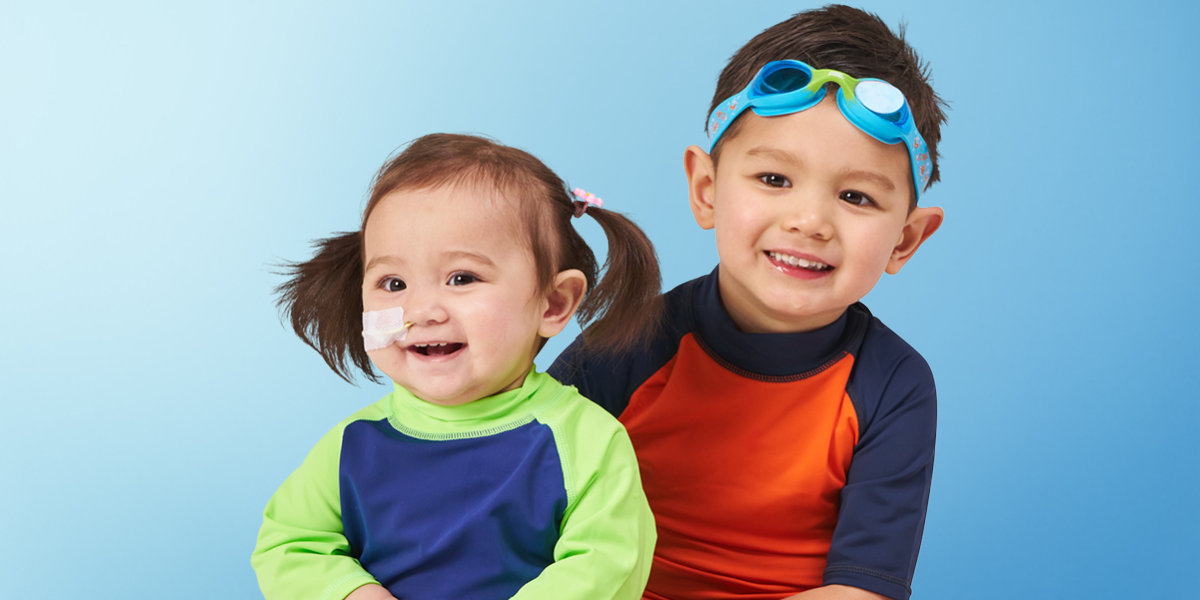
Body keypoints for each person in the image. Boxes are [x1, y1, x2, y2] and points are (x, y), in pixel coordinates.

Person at [549, 6, 947, 600]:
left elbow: (862, 590)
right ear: (706, 190)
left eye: (856, 196)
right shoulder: (630, 343)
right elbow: (510, 489)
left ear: (906, 240)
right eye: (774, 180)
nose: (810, 222)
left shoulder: (893, 385)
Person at [252, 133, 661, 600]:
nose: (421, 311)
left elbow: (606, 563)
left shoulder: (587, 440)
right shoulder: (352, 445)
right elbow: (289, 544)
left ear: (553, 303)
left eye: (461, 278)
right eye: (393, 283)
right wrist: (351, 592)